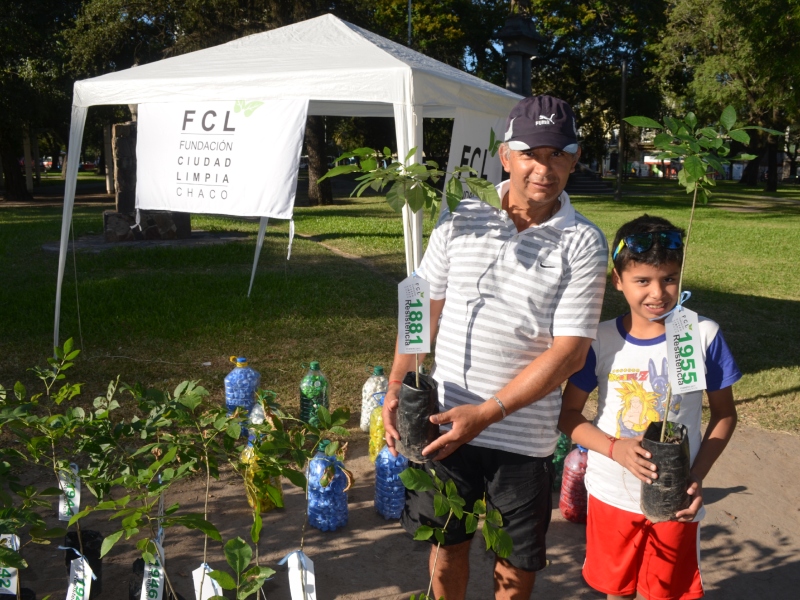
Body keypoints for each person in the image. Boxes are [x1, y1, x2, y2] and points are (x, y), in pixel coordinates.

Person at [382, 95, 609, 599]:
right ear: (505, 156)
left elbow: (571, 353)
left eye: (559, 154)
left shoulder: (583, 241)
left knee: (515, 563)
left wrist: (488, 412)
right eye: (531, 152)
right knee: (446, 546)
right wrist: (397, 381)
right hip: (444, 421)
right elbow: (425, 305)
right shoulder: (462, 217)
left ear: (573, 160)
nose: (544, 169)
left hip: (523, 438)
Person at [558, 214, 740, 600]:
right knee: (617, 590)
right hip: (611, 493)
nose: (657, 293)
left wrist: (697, 474)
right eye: (642, 280)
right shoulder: (599, 341)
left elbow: (724, 414)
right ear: (618, 281)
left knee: (666, 593)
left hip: (676, 497)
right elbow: (568, 416)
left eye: (669, 279)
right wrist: (614, 448)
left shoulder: (701, 335)